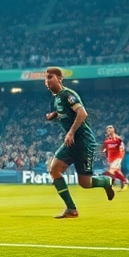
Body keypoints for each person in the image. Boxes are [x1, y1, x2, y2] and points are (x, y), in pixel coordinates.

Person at [42, 68, 115, 218]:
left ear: (60, 79)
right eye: (46, 78)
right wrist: (53, 116)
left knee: (85, 183)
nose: (47, 81)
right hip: (71, 143)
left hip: (83, 141)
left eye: (50, 77)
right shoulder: (55, 100)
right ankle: (71, 210)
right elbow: (64, 113)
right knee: (54, 170)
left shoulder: (69, 94)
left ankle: (106, 181)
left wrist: (71, 132)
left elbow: (82, 113)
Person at [102, 125, 128, 190]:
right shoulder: (106, 140)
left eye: (110, 129)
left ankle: (112, 185)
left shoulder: (118, 139)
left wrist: (120, 158)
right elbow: (105, 149)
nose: (108, 131)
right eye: (107, 130)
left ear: (113, 130)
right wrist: (105, 154)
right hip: (110, 159)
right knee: (116, 172)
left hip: (118, 157)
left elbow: (122, 148)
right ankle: (124, 183)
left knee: (112, 170)